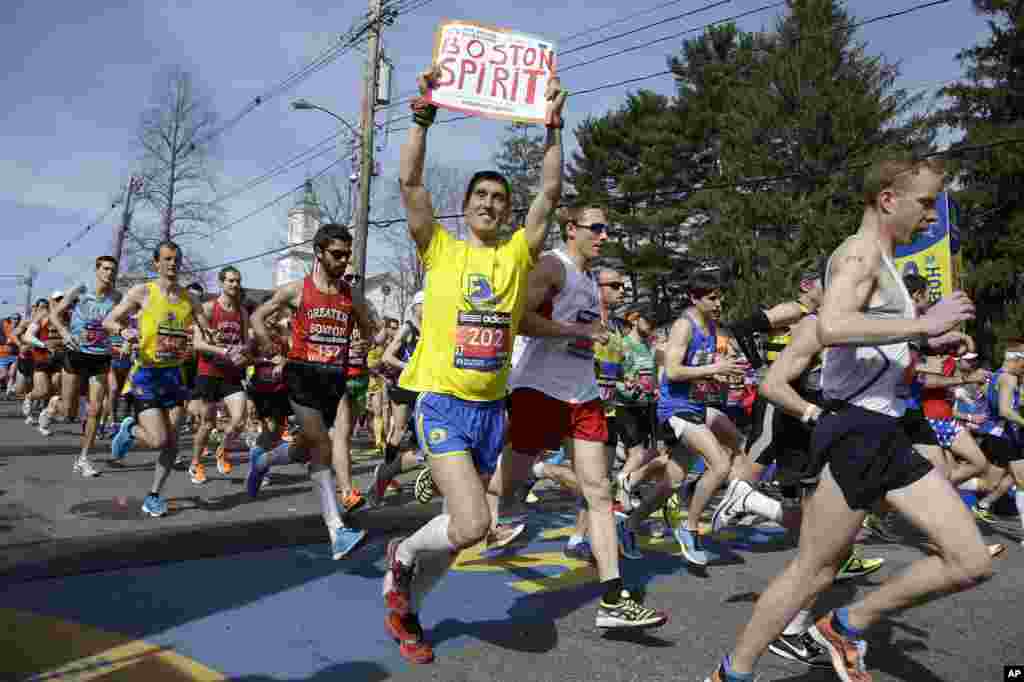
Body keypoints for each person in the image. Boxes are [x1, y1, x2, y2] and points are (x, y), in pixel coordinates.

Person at [707, 156, 991, 682]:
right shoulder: (860, 255)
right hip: (857, 429)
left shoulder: (883, 264)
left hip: (882, 429)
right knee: (813, 569)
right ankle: (734, 673)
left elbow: (869, 342)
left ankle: (843, 624)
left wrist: (921, 339)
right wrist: (922, 324)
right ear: (888, 199)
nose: (931, 216)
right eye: (925, 203)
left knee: (966, 560)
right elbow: (833, 324)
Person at [380, 64, 565, 664]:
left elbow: (550, 195)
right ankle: (402, 557)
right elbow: (410, 183)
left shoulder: (516, 253)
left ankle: (407, 610)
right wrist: (421, 118)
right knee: (469, 525)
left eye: (499, 199)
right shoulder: (440, 248)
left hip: (492, 411)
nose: (491, 204)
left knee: (458, 542)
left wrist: (553, 130)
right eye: (481, 196)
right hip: (441, 402)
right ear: (465, 207)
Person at [250, 222, 376, 560]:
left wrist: (364, 342)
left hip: (333, 379)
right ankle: (336, 530)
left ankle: (263, 460)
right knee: (323, 443)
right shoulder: (297, 290)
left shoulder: (352, 296)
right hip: (301, 375)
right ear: (319, 253)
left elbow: (369, 328)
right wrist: (271, 345)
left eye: (347, 256)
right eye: (336, 254)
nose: (343, 261)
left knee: (306, 447)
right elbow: (259, 316)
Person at [104, 241, 215, 517]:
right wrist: (124, 332)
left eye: (176, 259)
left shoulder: (190, 299)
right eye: (166, 259)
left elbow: (205, 329)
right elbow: (110, 320)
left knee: (172, 443)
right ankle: (129, 430)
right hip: (146, 375)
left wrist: (210, 337)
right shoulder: (143, 291)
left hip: (174, 375)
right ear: (156, 263)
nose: (172, 264)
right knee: (157, 440)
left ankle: (153, 495)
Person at [48, 256, 122, 476]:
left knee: (95, 409)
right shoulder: (81, 289)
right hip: (76, 353)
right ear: (97, 270)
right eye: (106, 269)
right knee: (67, 411)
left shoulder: (117, 297)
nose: (109, 273)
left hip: (100, 356)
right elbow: (54, 314)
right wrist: (64, 332)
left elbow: (121, 321)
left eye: (113, 270)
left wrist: (124, 334)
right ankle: (53, 404)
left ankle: (83, 458)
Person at [189, 266, 252, 484]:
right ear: (221, 283)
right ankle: (195, 463)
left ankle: (222, 450)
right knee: (207, 423)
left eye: (238, 281)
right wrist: (223, 351)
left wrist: (243, 354)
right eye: (231, 281)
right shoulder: (207, 309)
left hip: (231, 373)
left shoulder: (242, 312)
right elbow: (197, 344)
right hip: (209, 372)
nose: (235, 285)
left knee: (239, 419)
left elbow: (244, 343)